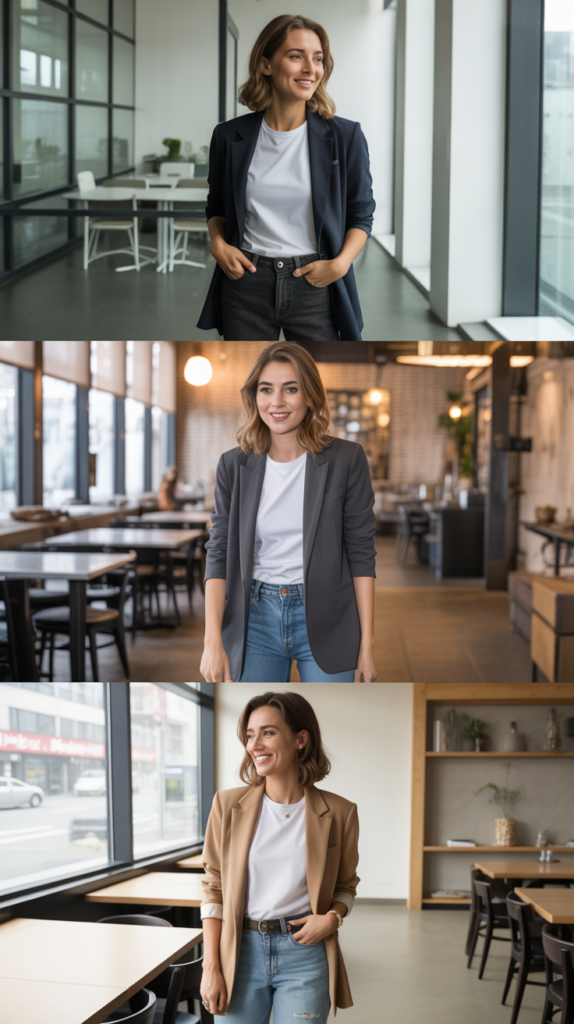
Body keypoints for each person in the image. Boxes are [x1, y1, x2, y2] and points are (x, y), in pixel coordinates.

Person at [200, 342, 377, 683]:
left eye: (290, 389)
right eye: (266, 390)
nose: (276, 401)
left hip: (330, 616)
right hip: (254, 618)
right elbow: (218, 553)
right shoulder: (233, 465)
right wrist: (211, 641)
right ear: (255, 397)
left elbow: (361, 554)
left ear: (309, 396)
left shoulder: (346, 459)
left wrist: (367, 645)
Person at [197, 14, 375, 342]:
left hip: (316, 283)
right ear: (266, 64)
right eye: (296, 56)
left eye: (318, 59)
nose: (311, 68)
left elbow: (361, 214)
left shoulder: (345, 136)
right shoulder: (228, 136)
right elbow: (217, 206)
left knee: (316, 382)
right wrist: (218, 244)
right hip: (245, 283)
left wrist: (339, 265)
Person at [199, 690, 360, 1021]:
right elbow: (213, 887)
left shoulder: (340, 812)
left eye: (267, 732)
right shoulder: (226, 806)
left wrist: (332, 919)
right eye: (249, 735)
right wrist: (210, 966)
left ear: (301, 739)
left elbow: (346, 884)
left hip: (304, 952)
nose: (254, 745)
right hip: (239, 952)